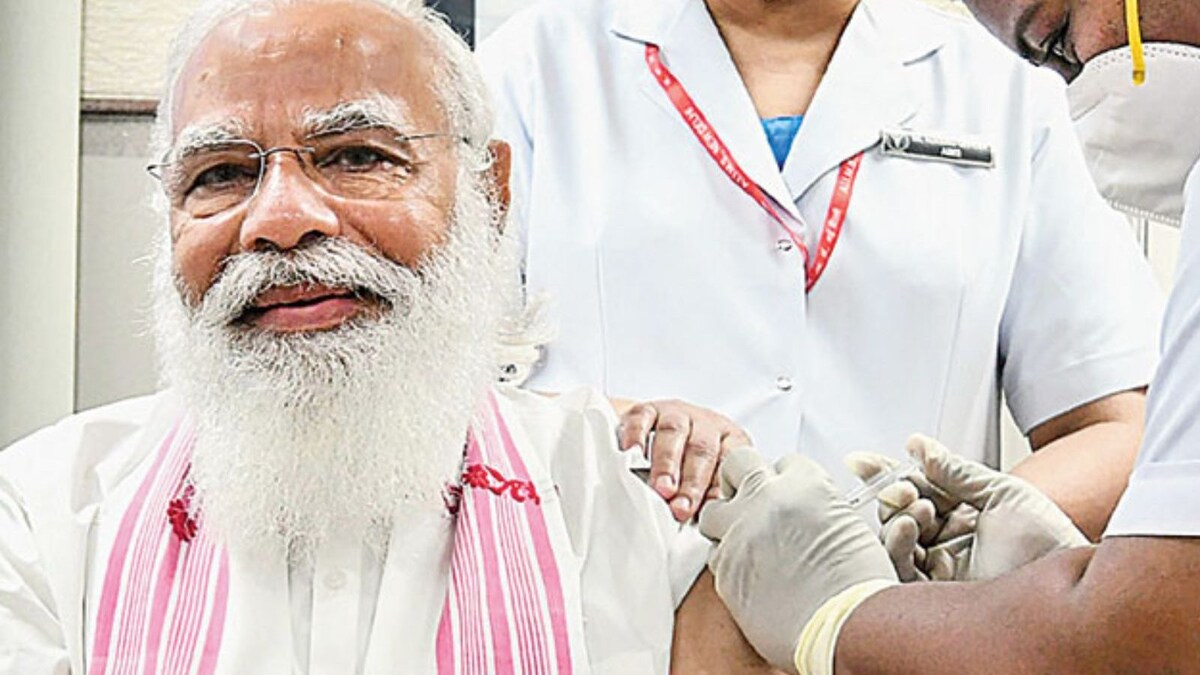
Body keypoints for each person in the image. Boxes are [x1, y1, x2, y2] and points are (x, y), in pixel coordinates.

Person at [0, 1, 772, 672]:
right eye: (222, 173)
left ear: (489, 196)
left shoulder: (642, 505)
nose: (279, 219)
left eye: (358, 156)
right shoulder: (42, 518)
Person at [476, 0, 1163, 534]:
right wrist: (612, 424)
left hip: (894, 629)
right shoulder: (527, 74)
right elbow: (435, 396)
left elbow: (1114, 426)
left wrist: (965, 533)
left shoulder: (1002, 97)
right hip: (609, 622)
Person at [699, 1, 1200, 671]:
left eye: (1055, 36)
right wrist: (1040, 581)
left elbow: (1142, 631)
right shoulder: (532, 69)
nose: (1077, 78)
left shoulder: (995, 90)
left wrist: (842, 613)